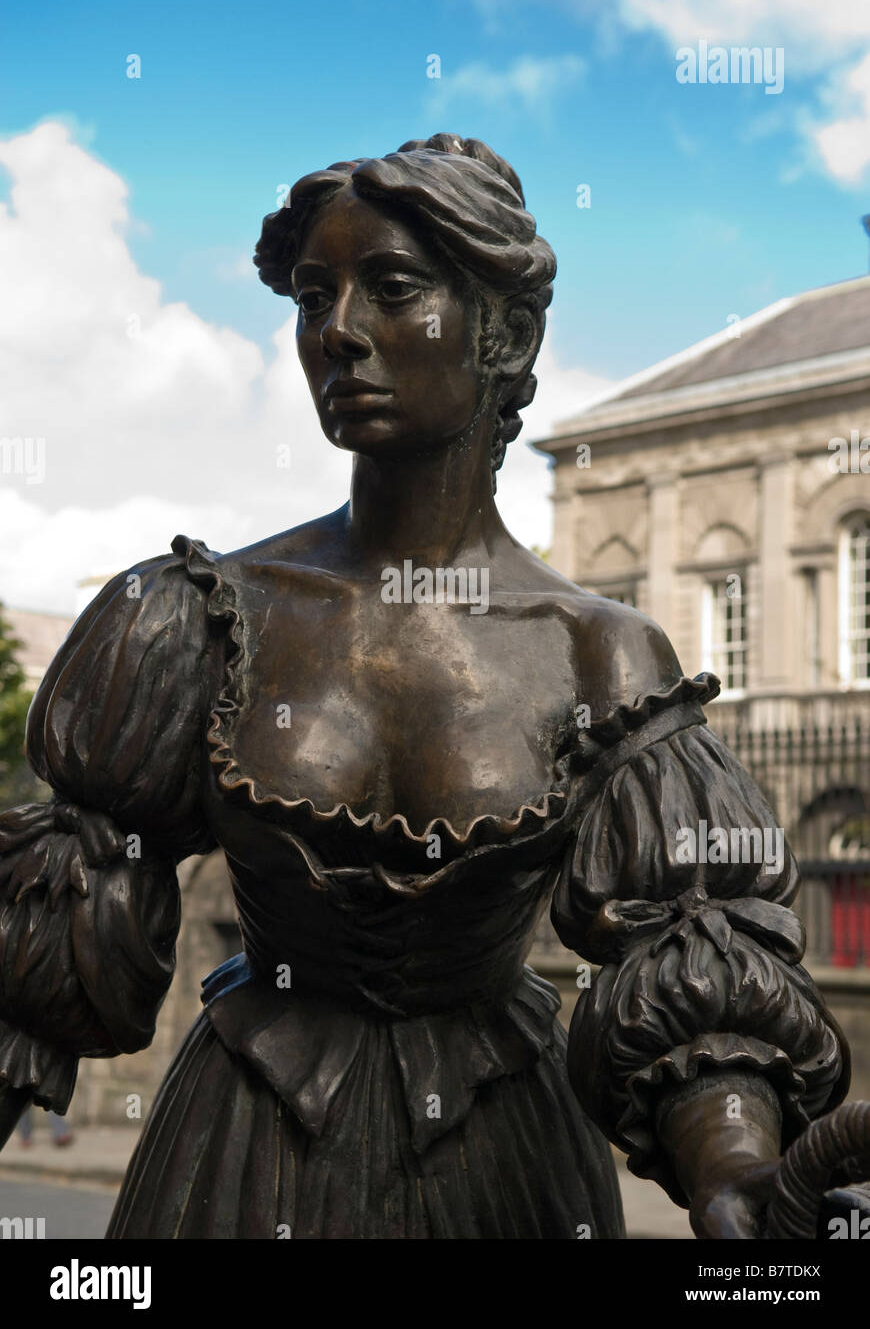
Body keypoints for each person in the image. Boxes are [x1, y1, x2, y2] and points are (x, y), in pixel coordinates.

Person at [0, 135, 849, 1239]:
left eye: (392, 288)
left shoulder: (604, 658)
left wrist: (734, 1162)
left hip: (505, 1167)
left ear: (508, 334)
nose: (337, 330)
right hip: (240, 1156)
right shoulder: (201, 614)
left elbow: (693, 962)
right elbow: (45, 947)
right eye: (314, 296)